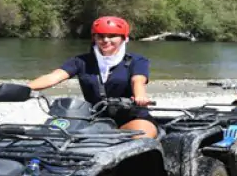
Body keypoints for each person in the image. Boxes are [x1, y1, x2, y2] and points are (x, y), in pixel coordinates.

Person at [27, 16, 157, 138]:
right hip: (95, 117)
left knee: (142, 135)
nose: (105, 40)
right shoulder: (81, 61)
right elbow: (54, 77)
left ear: (123, 38)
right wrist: (23, 88)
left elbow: (138, 81)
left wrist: (140, 96)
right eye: (100, 36)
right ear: (94, 38)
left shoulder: (137, 60)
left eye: (112, 36)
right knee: (58, 137)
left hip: (132, 117)